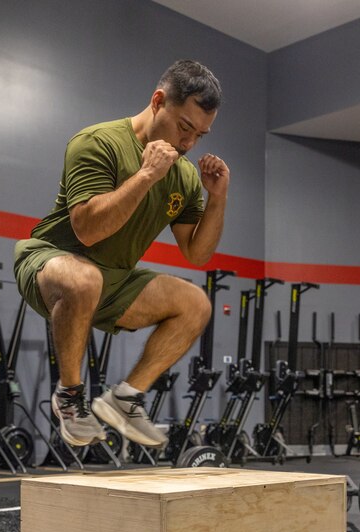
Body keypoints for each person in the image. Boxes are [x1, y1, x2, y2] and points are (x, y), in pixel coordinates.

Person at [14, 59, 229, 448]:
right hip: (51, 262)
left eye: (200, 135)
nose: (189, 144)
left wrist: (217, 197)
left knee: (196, 303)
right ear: (158, 101)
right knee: (84, 279)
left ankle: (126, 398)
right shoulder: (98, 142)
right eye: (184, 127)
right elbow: (88, 230)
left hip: (113, 279)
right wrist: (146, 176)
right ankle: (69, 395)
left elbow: (197, 254)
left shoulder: (184, 175)